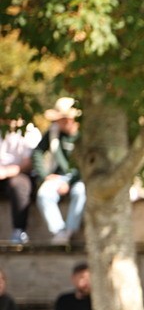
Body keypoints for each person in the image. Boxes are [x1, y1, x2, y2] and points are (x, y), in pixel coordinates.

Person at [33, 97, 86, 246]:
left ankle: (70, 231)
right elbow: (37, 152)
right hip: (58, 177)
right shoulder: (53, 133)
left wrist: (70, 182)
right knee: (44, 195)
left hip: (80, 178)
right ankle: (59, 232)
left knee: (80, 192)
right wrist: (45, 176)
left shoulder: (83, 135)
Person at [1, 118, 40, 245]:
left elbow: (29, 162)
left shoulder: (30, 131)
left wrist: (6, 172)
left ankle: (19, 231)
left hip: (21, 173)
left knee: (18, 185)